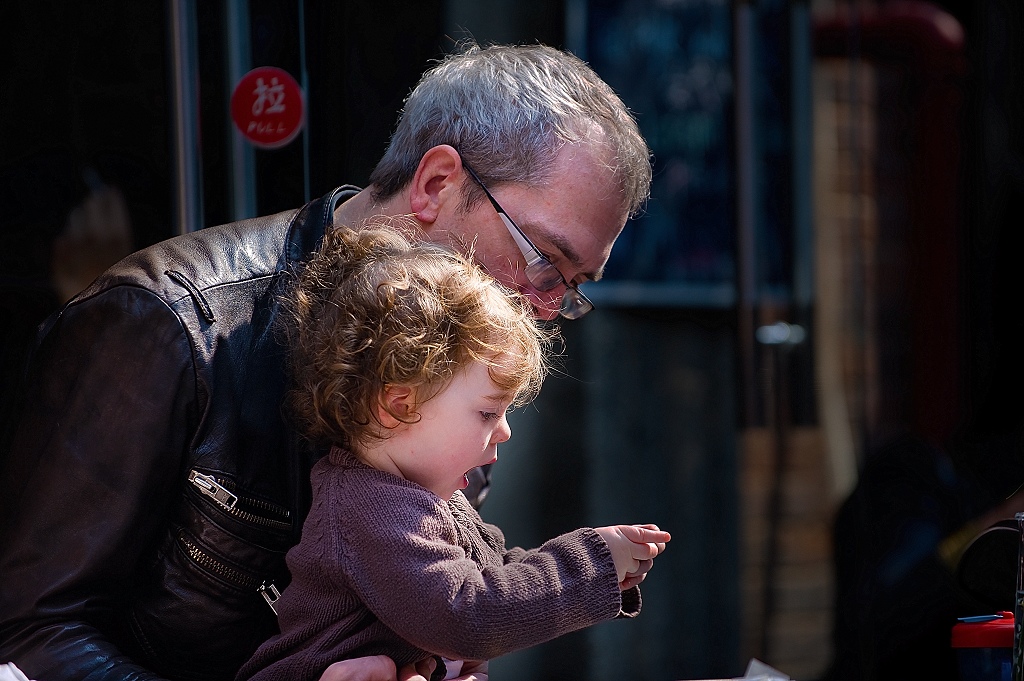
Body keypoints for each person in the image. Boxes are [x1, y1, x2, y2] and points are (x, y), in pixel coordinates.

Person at [0, 43, 652, 681]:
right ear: (436, 184)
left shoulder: (456, 362)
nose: (543, 307)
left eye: (570, 287)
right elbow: (28, 634)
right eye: (544, 261)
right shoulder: (167, 320)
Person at [235, 226, 669, 681]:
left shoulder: (424, 493)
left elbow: (490, 573)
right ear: (397, 407)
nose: (504, 431)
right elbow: (466, 615)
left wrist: (605, 574)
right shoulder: (368, 507)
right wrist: (588, 564)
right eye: (486, 413)